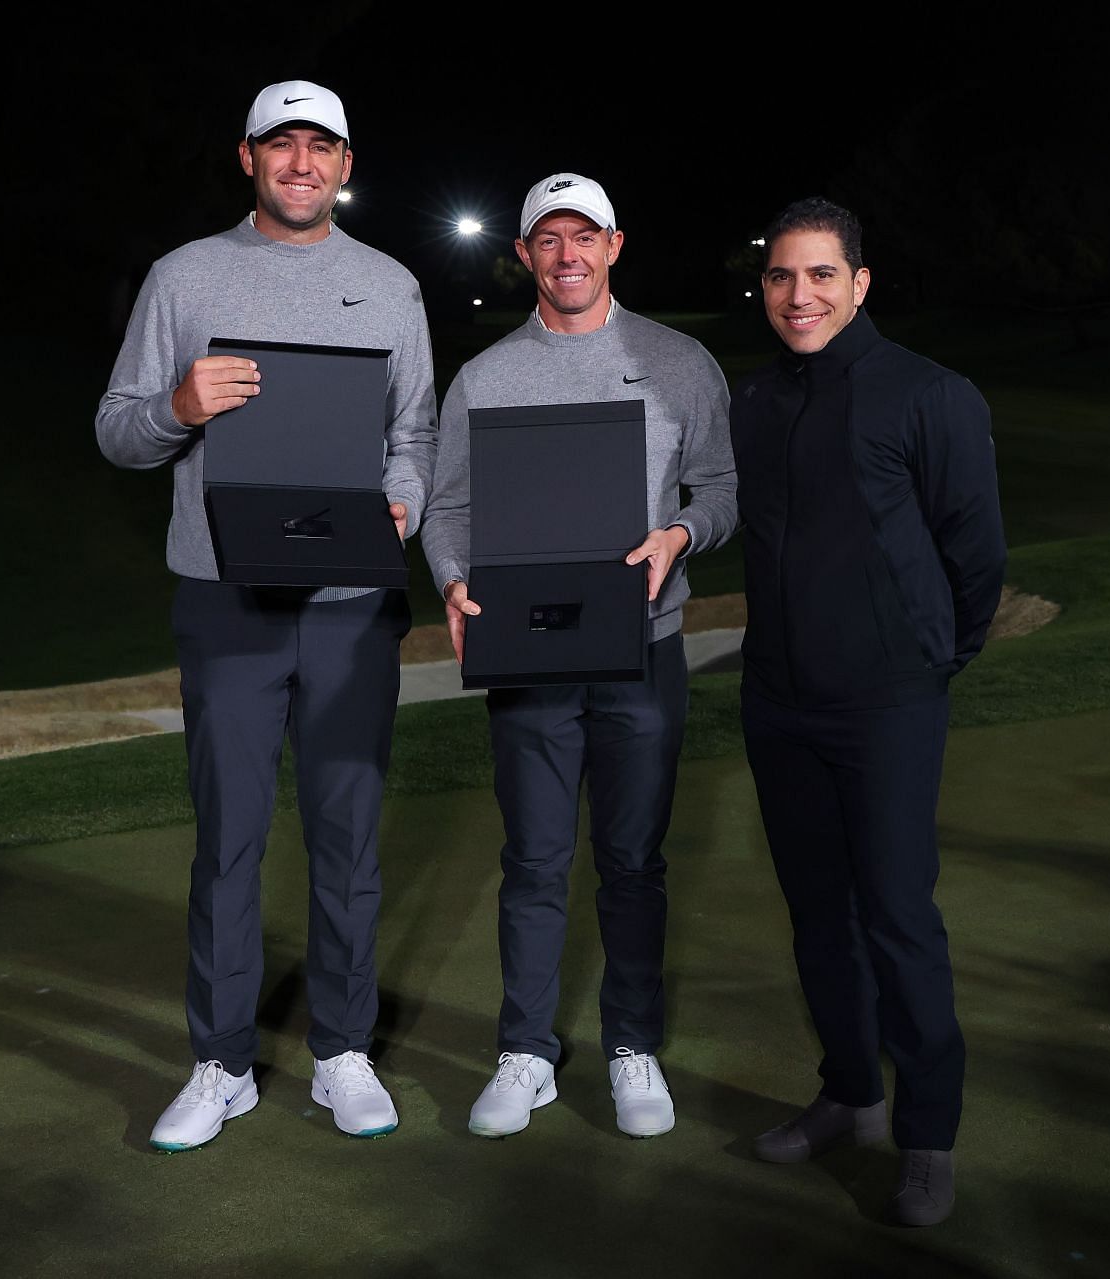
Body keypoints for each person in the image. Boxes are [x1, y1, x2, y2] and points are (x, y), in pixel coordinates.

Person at [95, 80, 437, 1151]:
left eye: (320, 146)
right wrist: (176, 409)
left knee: (345, 836)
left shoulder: (389, 286)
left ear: (345, 162)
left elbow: (415, 434)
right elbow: (117, 429)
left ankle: (342, 1052)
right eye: (280, 144)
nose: (301, 162)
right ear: (246, 157)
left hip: (350, 606)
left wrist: (404, 502)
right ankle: (222, 1062)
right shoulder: (184, 276)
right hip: (226, 600)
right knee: (230, 840)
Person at [420, 173, 738, 1140]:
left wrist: (677, 538)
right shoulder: (487, 376)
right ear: (523, 255)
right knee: (534, 858)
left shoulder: (677, 360)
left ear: (615, 245)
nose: (567, 256)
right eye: (547, 240)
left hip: (643, 650)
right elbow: (449, 508)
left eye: (584, 237)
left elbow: (721, 486)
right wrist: (451, 580)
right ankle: (527, 1050)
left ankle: (632, 1044)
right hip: (529, 655)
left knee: (633, 859)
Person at [730, 197, 1007, 1225]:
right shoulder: (754, 401)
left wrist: (935, 653)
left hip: (888, 703)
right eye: (778, 278)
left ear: (859, 282)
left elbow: (974, 553)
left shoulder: (929, 394)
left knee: (897, 916)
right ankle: (851, 1092)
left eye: (818, 276)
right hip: (779, 702)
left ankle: (927, 1134)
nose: (797, 296)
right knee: (818, 920)